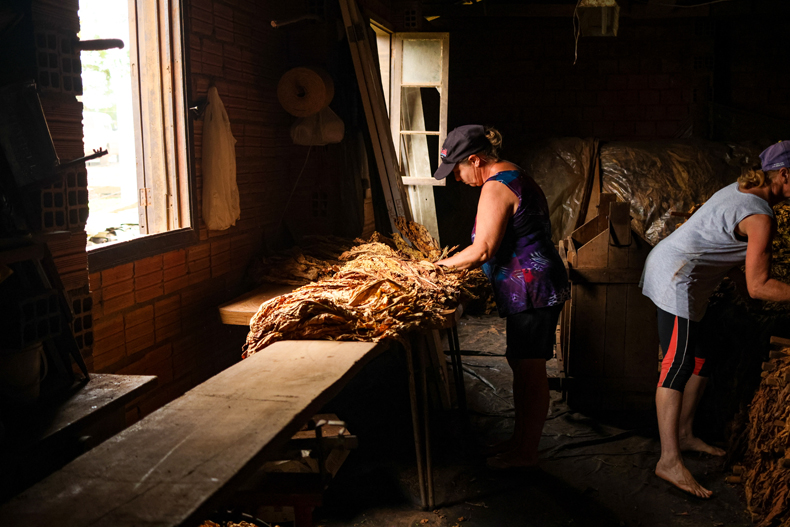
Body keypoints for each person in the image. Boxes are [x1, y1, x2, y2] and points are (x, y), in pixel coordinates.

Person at [641, 140, 790, 498]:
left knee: (702, 355)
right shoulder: (761, 216)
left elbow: (726, 247)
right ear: (785, 174)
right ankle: (669, 460)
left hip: (688, 276)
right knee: (677, 365)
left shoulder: (743, 189)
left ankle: (684, 434)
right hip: (676, 278)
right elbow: (759, 285)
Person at [433, 125, 570, 469]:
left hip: (532, 288)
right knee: (520, 363)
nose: (457, 178)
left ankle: (526, 453)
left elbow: (483, 250)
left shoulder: (496, 187)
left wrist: (434, 269)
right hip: (533, 285)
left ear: (475, 160)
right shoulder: (513, 173)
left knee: (530, 369)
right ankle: (519, 442)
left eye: (457, 170)